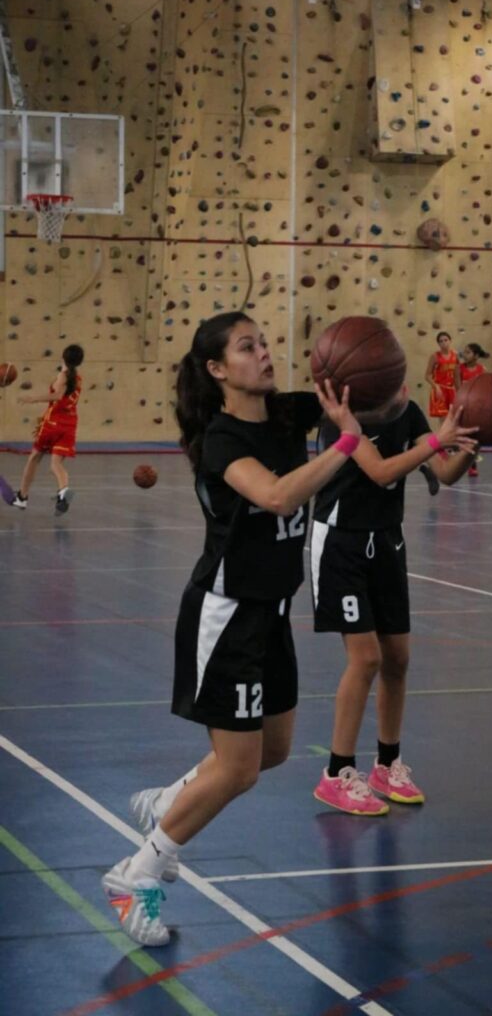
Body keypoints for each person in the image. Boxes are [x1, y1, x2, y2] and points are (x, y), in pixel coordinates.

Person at [102, 311, 364, 947]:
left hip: (272, 613)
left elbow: (363, 395)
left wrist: (407, 405)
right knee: (240, 769)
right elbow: (276, 496)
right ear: (218, 369)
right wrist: (344, 445)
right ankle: (137, 874)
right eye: (248, 347)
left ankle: (169, 800)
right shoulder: (221, 440)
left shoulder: (288, 413)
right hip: (227, 617)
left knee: (273, 750)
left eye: (265, 342)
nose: (265, 353)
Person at [310, 386, 479, 815]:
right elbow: (380, 472)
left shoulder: (408, 411)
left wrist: (470, 447)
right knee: (366, 658)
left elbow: (445, 473)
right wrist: (437, 441)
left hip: (386, 540)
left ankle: (387, 765)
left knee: (398, 658)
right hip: (341, 543)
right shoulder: (341, 416)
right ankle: (336, 773)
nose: (400, 385)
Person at [8, 343, 84, 515]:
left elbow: (57, 395)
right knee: (56, 464)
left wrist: (33, 399)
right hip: (70, 424)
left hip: (53, 423)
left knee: (34, 458)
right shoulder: (78, 378)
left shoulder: (64, 376)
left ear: (63, 356)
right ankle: (63, 491)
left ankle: (22, 497)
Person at [420, 332, 460, 495]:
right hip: (439, 390)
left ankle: (446, 448)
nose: (444, 343)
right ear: (438, 344)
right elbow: (427, 375)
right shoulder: (435, 357)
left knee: (452, 421)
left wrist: (460, 393)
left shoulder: (455, 356)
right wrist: (435, 386)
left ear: (450, 341)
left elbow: (457, 377)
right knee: (443, 422)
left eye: (446, 340)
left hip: (451, 390)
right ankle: (441, 449)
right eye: (441, 341)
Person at [459, 343, 489, 478]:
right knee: (464, 436)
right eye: (464, 352)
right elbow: (458, 388)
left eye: (468, 352)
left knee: (475, 436)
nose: (465, 355)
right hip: (463, 405)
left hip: (477, 406)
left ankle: (473, 464)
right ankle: (462, 462)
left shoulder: (482, 370)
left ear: (476, 356)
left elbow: (485, 390)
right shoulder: (459, 369)